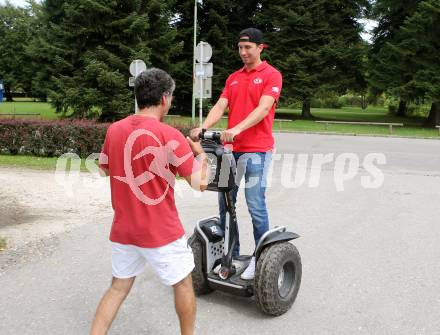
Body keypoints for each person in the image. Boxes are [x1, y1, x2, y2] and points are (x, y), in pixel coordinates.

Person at [91, 68, 209, 335]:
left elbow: (105, 169)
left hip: (124, 229)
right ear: (165, 99)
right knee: (182, 284)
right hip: (160, 231)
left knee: (118, 287)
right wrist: (201, 156)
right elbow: (199, 183)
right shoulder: (170, 135)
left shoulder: (115, 130)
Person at [190, 28, 282, 280]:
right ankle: (232, 254)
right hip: (231, 153)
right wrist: (204, 128)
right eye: (240, 48)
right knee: (225, 202)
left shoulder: (271, 75)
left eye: (248, 48)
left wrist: (237, 129)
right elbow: (221, 105)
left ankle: (260, 259)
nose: (243, 52)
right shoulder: (233, 78)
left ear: (261, 48)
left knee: (255, 205)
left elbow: (263, 109)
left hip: (258, 151)